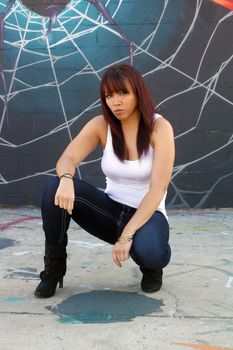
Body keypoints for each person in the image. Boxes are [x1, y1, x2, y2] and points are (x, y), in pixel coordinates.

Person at [34, 63, 175, 298]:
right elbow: (67, 158)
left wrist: (126, 236)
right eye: (109, 95)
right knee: (53, 189)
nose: (115, 102)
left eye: (123, 93)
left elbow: (158, 188)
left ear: (138, 93)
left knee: (150, 251)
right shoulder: (102, 125)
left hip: (148, 214)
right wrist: (67, 178)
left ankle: (152, 268)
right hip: (110, 211)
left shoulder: (159, 127)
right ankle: (54, 268)